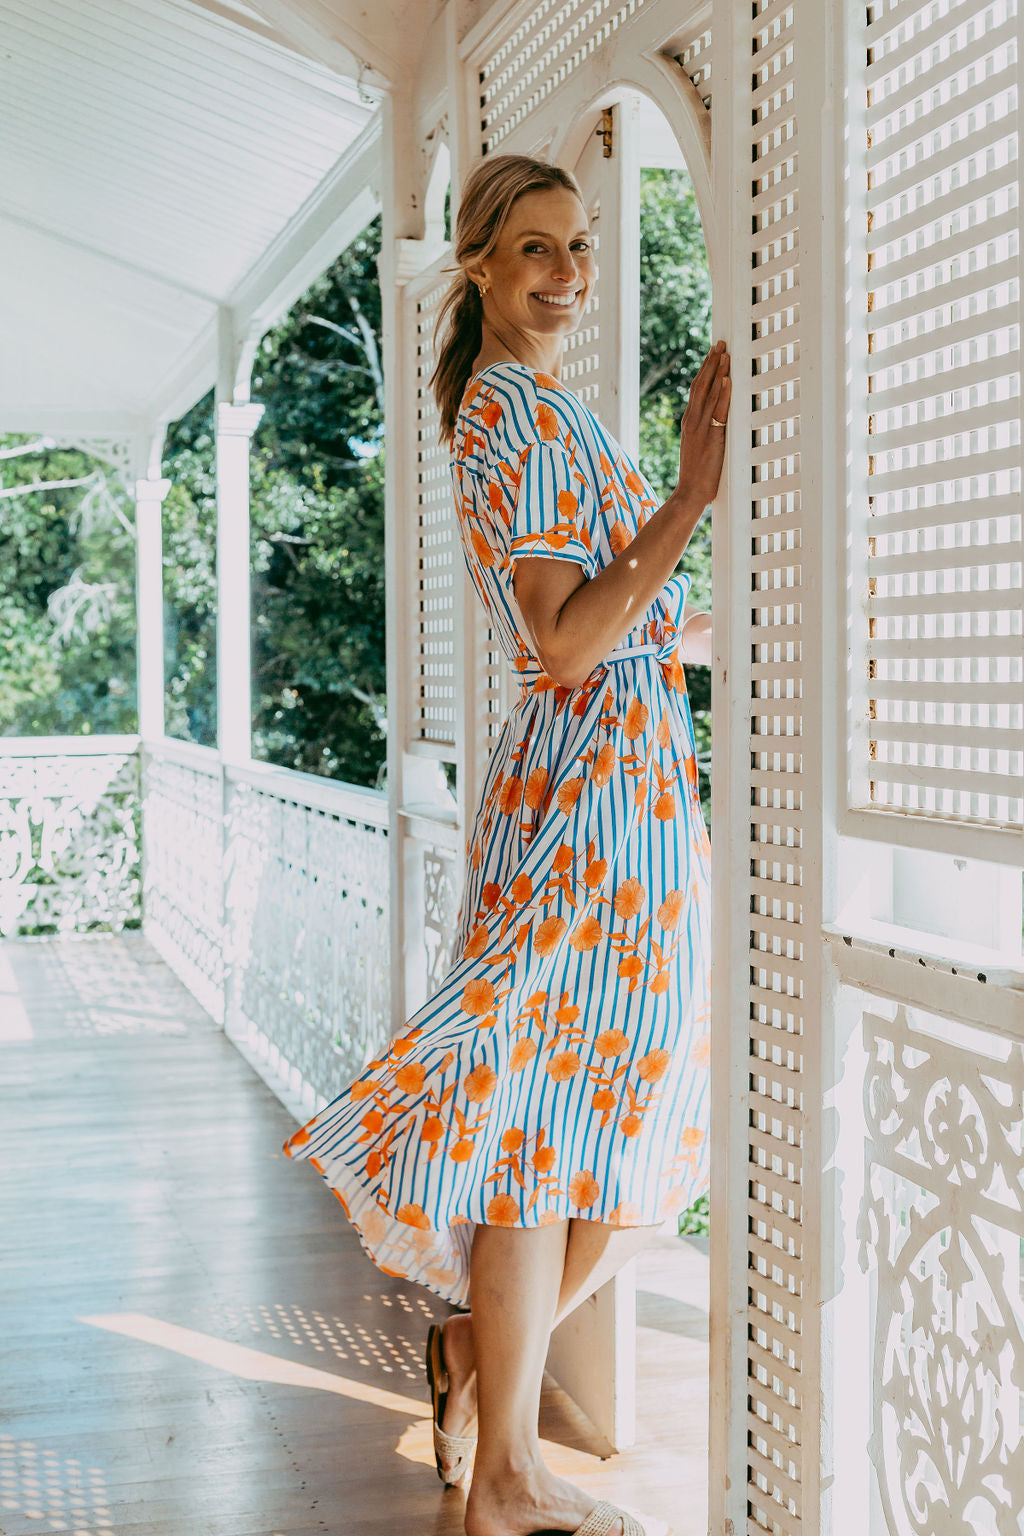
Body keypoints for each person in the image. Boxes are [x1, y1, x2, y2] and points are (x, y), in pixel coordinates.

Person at [283, 152, 730, 1536]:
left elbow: (622, 627)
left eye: (581, 250)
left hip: (627, 794)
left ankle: (490, 1387)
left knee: (603, 1136)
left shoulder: (540, 410)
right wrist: (692, 499)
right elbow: (560, 637)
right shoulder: (504, 419)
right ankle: (504, 1472)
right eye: (536, 249)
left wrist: (736, 625)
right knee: (576, 1133)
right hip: (595, 817)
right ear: (476, 264)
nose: (567, 274)